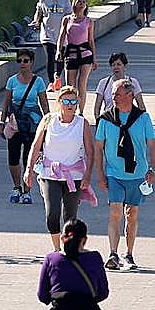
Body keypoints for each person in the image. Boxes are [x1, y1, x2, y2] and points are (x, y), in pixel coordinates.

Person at [95, 80, 155, 271]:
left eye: (118, 94)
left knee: (131, 215)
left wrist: (152, 169)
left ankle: (129, 254)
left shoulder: (143, 118)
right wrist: (100, 174)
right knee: (115, 212)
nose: (113, 97)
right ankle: (113, 254)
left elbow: (152, 144)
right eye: (113, 94)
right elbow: (98, 148)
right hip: (114, 174)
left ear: (130, 95)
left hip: (137, 174)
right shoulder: (106, 119)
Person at [26, 85, 97, 250]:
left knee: (70, 216)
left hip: (74, 175)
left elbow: (90, 151)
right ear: (59, 102)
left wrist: (87, 175)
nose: (70, 105)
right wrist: (29, 170)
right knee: (52, 213)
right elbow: (36, 146)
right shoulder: (48, 120)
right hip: (50, 174)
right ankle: (57, 248)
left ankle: (68, 248)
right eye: (66, 101)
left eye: (73, 101)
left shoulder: (82, 123)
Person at [1, 48, 50, 204]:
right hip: (15, 123)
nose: (22, 63)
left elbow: (44, 104)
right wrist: (2, 122)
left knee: (29, 157)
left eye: (26, 60)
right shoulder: (12, 81)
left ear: (31, 62)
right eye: (20, 60)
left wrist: (48, 124)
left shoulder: (38, 81)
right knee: (13, 157)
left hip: (32, 124)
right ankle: (16, 187)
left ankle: (27, 190)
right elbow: (6, 103)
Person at [33, 0, 72, 87]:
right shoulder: (44, 0)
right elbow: (38, 13)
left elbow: (69, 15)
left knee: (60, 58)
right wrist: (36, 21)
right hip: (47, 34)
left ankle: (57, 76)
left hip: (61, 34)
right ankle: (50, 82)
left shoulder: (65, 0)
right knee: (50, 58)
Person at [57, 0, 96, 94]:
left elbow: (91, 40)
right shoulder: (67, 19)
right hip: (71, 53)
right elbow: (62, 36)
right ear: (74, 3)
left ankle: (82, 104)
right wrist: (58, 51)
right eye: (79, 2)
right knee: (70, 87)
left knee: (82, 84)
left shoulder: (89, 21)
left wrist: (94, 58)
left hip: (85, 53)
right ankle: (71, 103)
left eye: (84, 2)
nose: (82, 4)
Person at [93, 52, 146, 120]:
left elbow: (141, 105)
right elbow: (97, 107)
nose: (116, 67)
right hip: (109, 120)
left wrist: (143, 121)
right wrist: (98, 122)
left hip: (128, 120)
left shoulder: (133, 82)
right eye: (113, 65)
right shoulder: (103, 83)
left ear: (125, 66)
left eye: (119, 64)